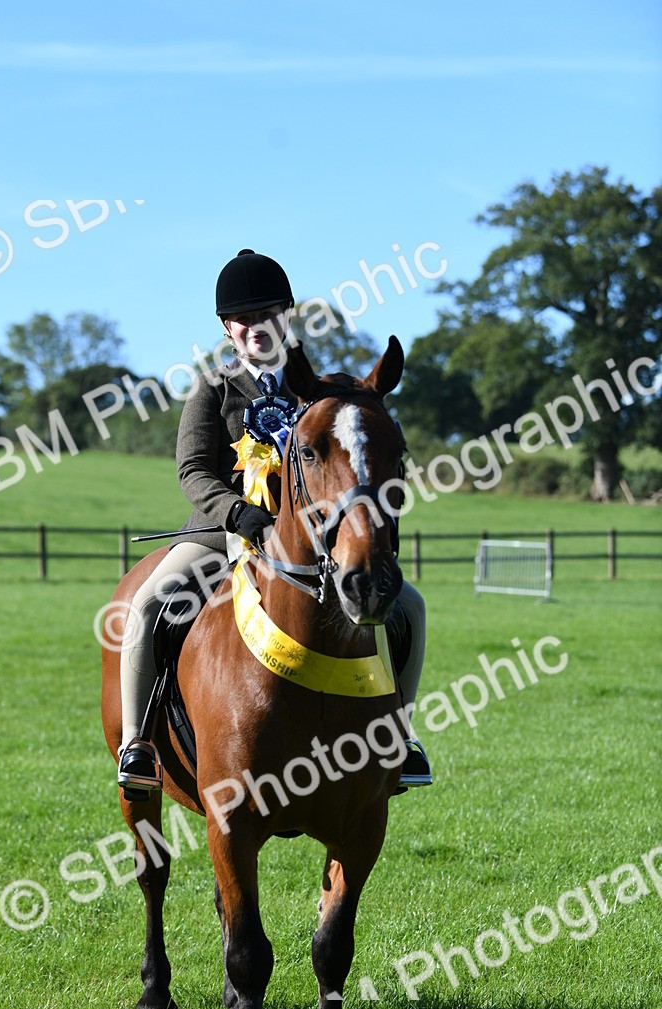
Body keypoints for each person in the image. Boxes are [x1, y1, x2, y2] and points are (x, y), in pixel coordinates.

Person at [117, 249, 431, 791]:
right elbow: (193, 471)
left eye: (268, 313)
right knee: (148, 605)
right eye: (243, 318)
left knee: (410, 607)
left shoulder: (318, 389)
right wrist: (242, 516)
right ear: (227, 328)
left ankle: (399, 737)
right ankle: (138, 743)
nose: (255, 326)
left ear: (287, 314)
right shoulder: (213, 389)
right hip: (222, 535)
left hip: (312, 545)